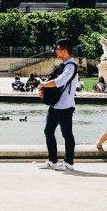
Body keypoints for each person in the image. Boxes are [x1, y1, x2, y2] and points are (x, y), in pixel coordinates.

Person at [38, 38, 78, 171]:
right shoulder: (63, 66)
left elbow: (58, 82)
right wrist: (44, 90)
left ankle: (69, 163)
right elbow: (53, 81)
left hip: (65, 106)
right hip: (56, 105)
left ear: (64, 51)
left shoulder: (71, 67)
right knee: (48, 131)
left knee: (67, 134)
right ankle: (52, 160)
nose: (56, 51)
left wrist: (43, 85)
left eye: (57, 49)